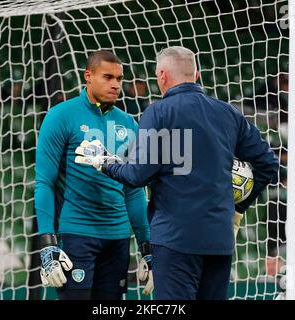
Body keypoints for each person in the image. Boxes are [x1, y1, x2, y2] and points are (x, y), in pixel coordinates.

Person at [76, 46, 279, 300]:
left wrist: (105, 162)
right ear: (196, 75)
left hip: (175, 240)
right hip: (219, 241)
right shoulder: (227, 113)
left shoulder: (158, 112)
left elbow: (136, 176)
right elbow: (269, 165)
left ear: (161, 76)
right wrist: (239, 208)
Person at [34, 50, 152, 300]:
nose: (115, 84)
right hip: (76, 235)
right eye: (108, 77)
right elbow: (44, 182)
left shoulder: (130, 124)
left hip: (118, 239)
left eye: (119, 79)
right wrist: (47, 243)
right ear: (88, 76)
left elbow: (133, 191)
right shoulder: (60, 116)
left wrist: (146, 247)